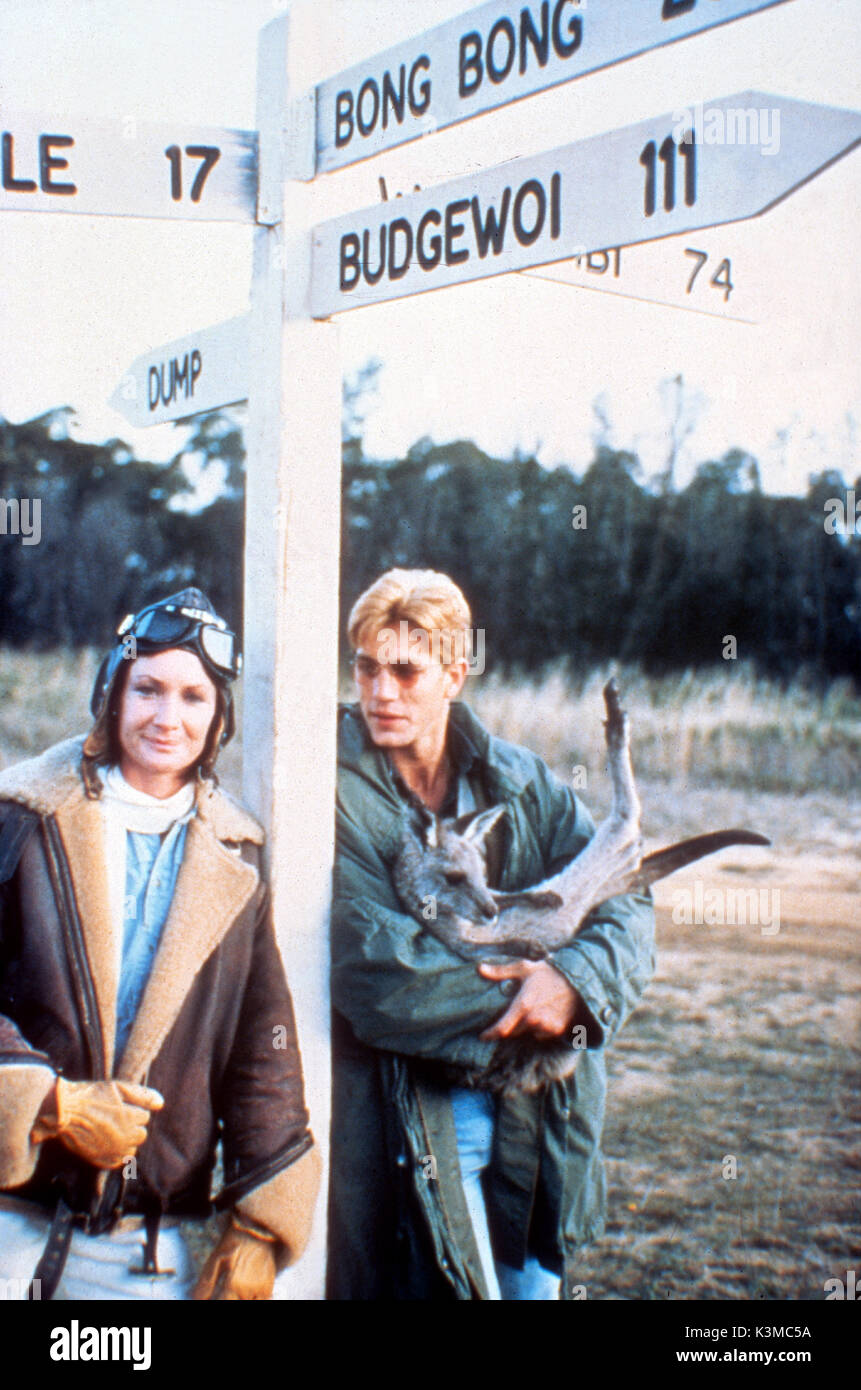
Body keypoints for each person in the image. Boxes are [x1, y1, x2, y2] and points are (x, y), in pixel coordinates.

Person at [327, 568, 655, 1301]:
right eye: (366, 667)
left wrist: (575, 983)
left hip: (537, 1131)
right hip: (407, 1126)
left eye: (406, 671)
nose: (381, 692)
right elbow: (373, 967)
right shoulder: (328, 789)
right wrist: (530, 1010)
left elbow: (627, 905)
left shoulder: (522, 780)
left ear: (454, 672)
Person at [0, 588, 320, 1300]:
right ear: (112, 692)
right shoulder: (20, 813)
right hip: (10, 1218)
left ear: (219, 718)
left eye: (192, 697)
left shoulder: (237, 857)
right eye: (147, 689)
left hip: (142, 1249)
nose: (166, 718)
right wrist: (49, 1104)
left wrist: (262, 1230)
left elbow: (260, 1049)